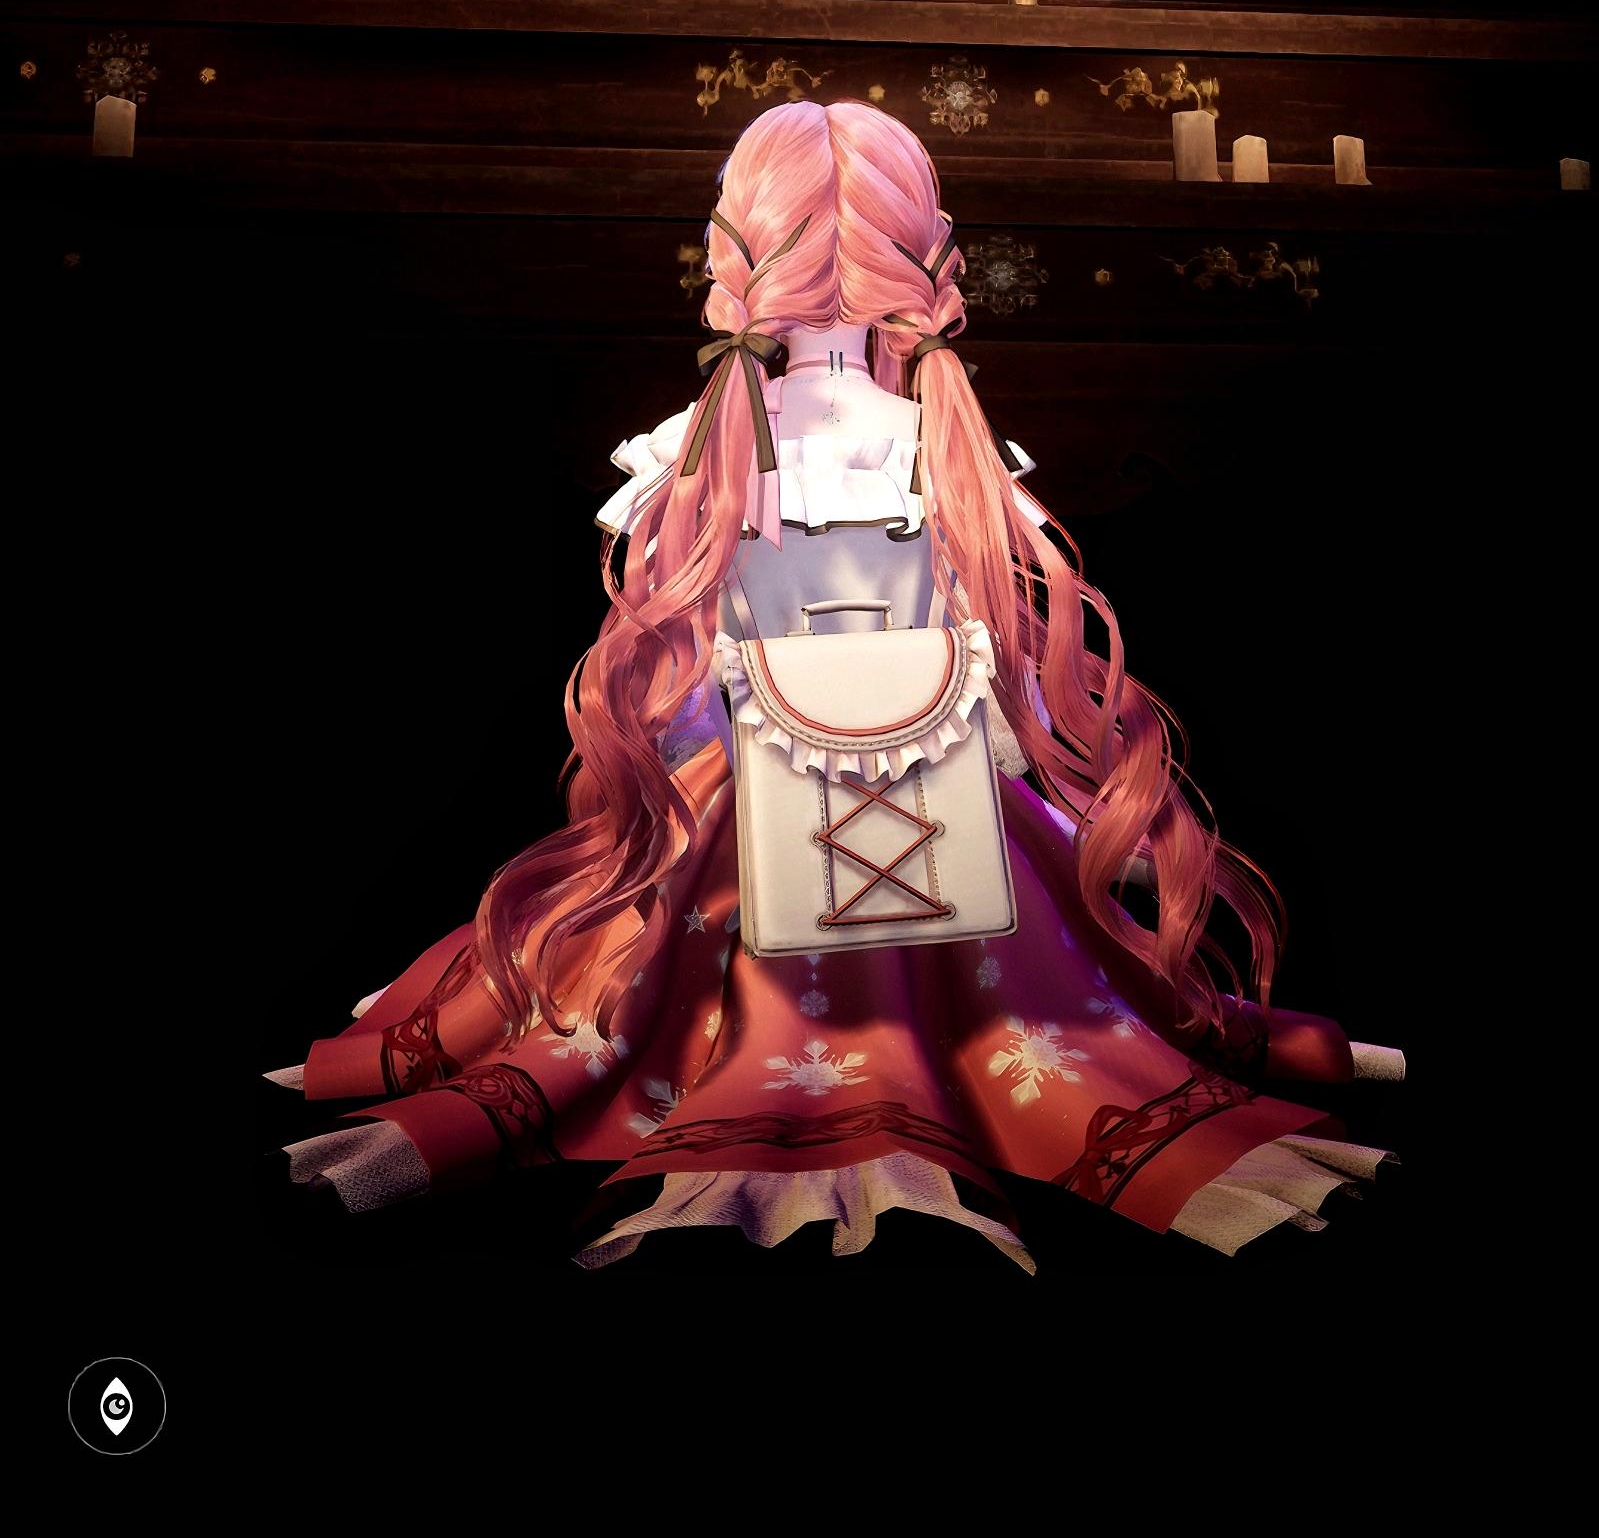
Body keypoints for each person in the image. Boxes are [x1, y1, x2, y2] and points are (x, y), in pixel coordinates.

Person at [266, 99, 1402, 1267]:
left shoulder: (704, 447)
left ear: (737, 250)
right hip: (938, 755)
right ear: (928, 255)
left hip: (759, 763)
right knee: (1034, 946)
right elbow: (978, 638)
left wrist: (690, 762)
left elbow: (690, 673)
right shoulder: (933, 439)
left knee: (653, 943)